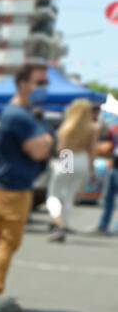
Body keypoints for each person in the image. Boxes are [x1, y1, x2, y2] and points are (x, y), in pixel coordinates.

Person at [0, 65, 54, 296]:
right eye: (39, 83)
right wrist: (48, 139)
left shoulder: (17, 113)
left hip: (2, 184)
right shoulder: (19, 115)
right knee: (8, 242)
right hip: (13, 187)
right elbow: (39, 151)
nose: (43, 89)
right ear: (23, 84)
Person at [45, 98, 98, 242]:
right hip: (82, 159)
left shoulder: (67, 126)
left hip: (68, 156)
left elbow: (61, 148)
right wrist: (92, 171)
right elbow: (92, 150)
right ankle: (64, 225)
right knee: (69, 195)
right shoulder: (92, 127)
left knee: (54, 194)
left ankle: (58, 222)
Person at [94, 118, 118, 235]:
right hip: (113, 168)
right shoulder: (114, 130)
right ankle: (103, 226)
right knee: (108, 200)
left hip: (114, 169)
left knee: (109, 201)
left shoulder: (114, 130)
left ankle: (103, 226)